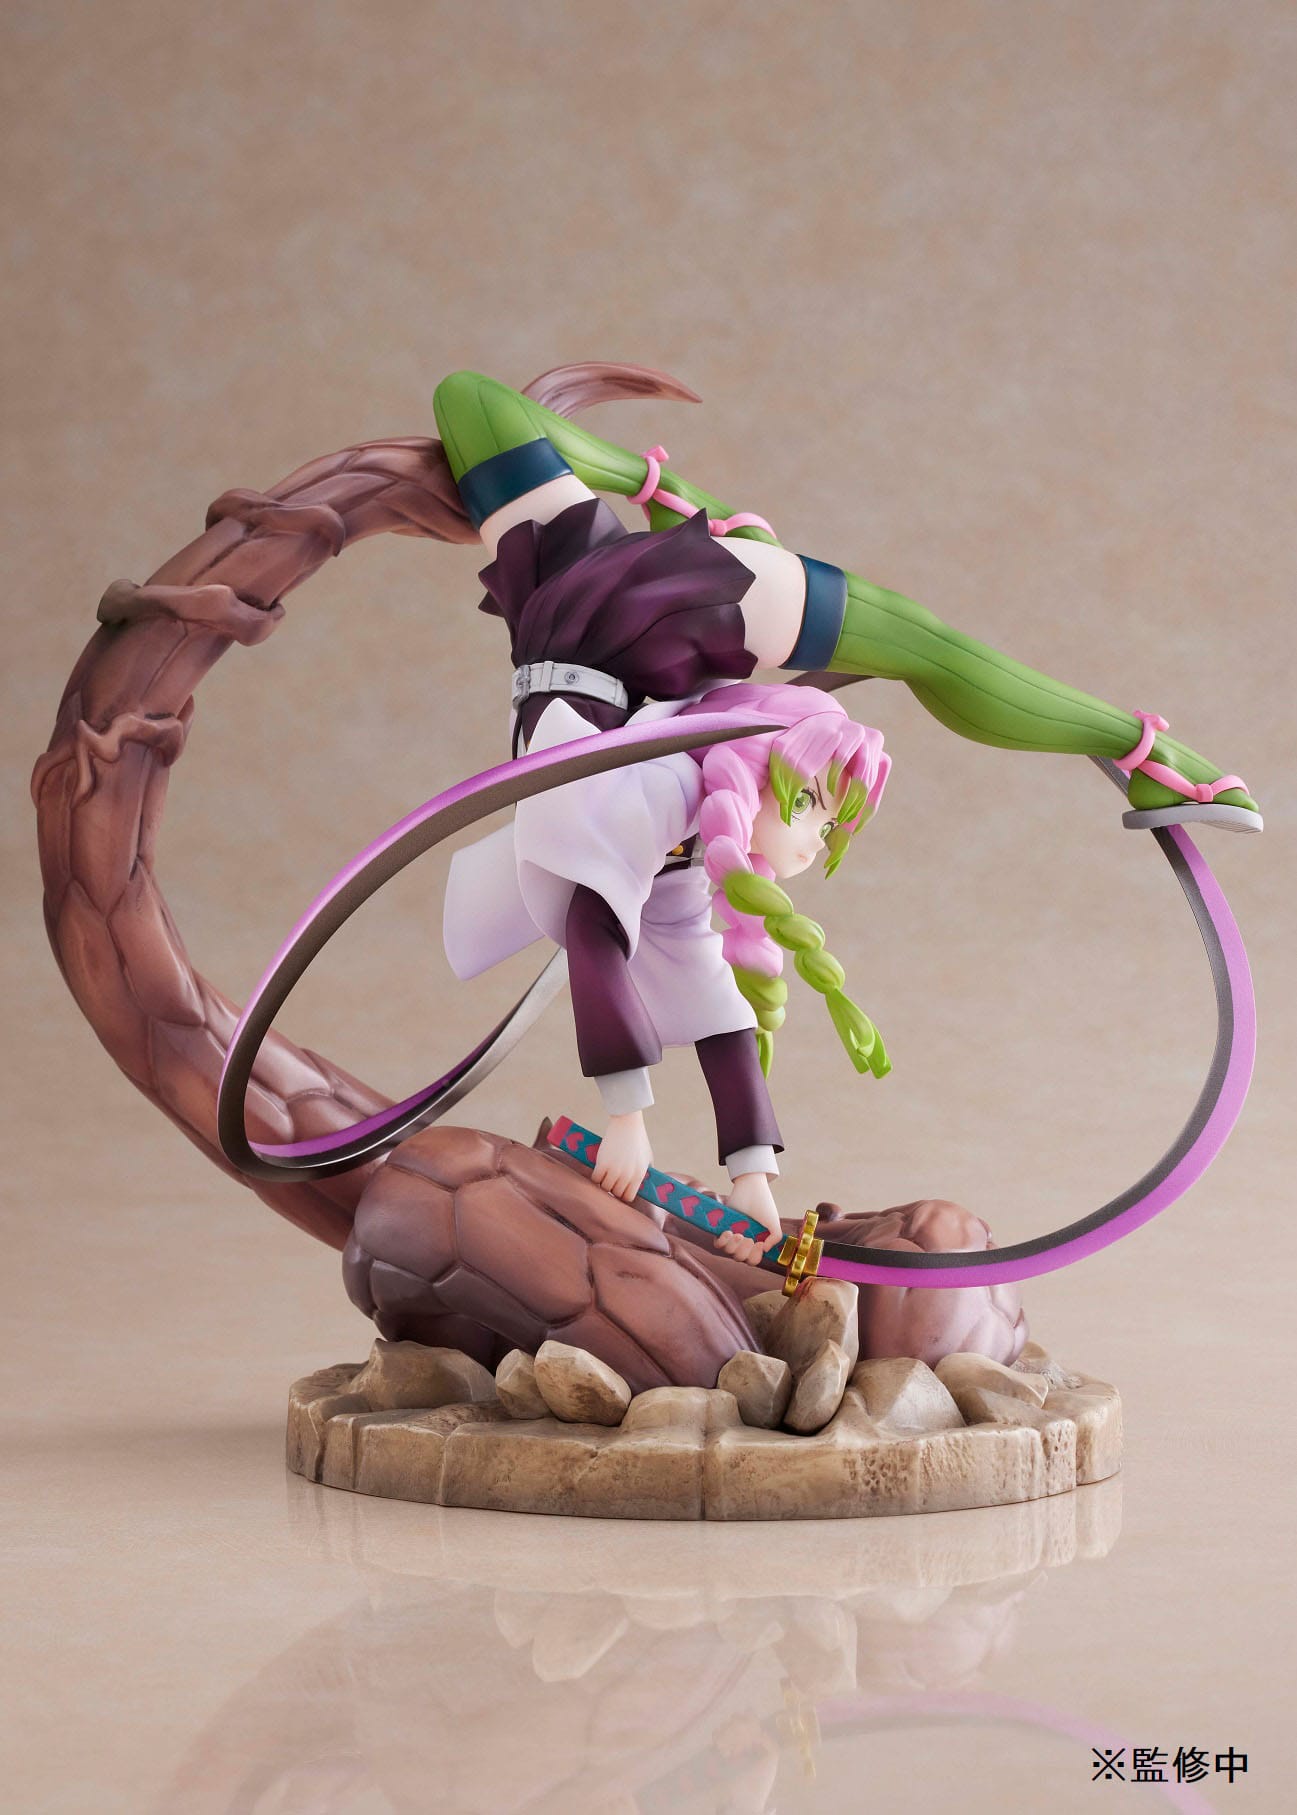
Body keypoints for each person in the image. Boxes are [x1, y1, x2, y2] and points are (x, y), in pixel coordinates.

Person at [432, 367, 1260, 834]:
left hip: (593, 646)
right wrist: (660, 487)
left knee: (926, 652)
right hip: (664, 607)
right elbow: (477, 399)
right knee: (931, 649)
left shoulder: (537, 544)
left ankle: (1146, 755)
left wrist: (663, 491)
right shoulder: (553, 543)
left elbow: (471, 399)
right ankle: (1152, 756)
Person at [443, 680, 890, 1268]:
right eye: (805, 805)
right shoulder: (663, 789)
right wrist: (626, 1117)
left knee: (723, 1002)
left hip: (644, 885)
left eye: (828, 829)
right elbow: (593, 929)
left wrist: (752, 1179)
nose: (813, 845)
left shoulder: (706, 829)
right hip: (570, 830)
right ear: (755, 764)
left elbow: (710, 996)